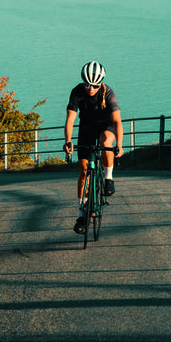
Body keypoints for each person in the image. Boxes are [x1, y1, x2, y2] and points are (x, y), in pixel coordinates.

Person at [63, 61, 124, 235]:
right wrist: (68, 141)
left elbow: (118, 122)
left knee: (106, 143)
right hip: (87, 127)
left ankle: (108, 178)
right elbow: (70, 120)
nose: (90, 88)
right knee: (83, 171)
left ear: (101, 83)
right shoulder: (76, 92)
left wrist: (119, 145)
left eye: (95, 85)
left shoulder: (109, 93)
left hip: (107, 125)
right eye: (87, 84)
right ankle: (81, 215)